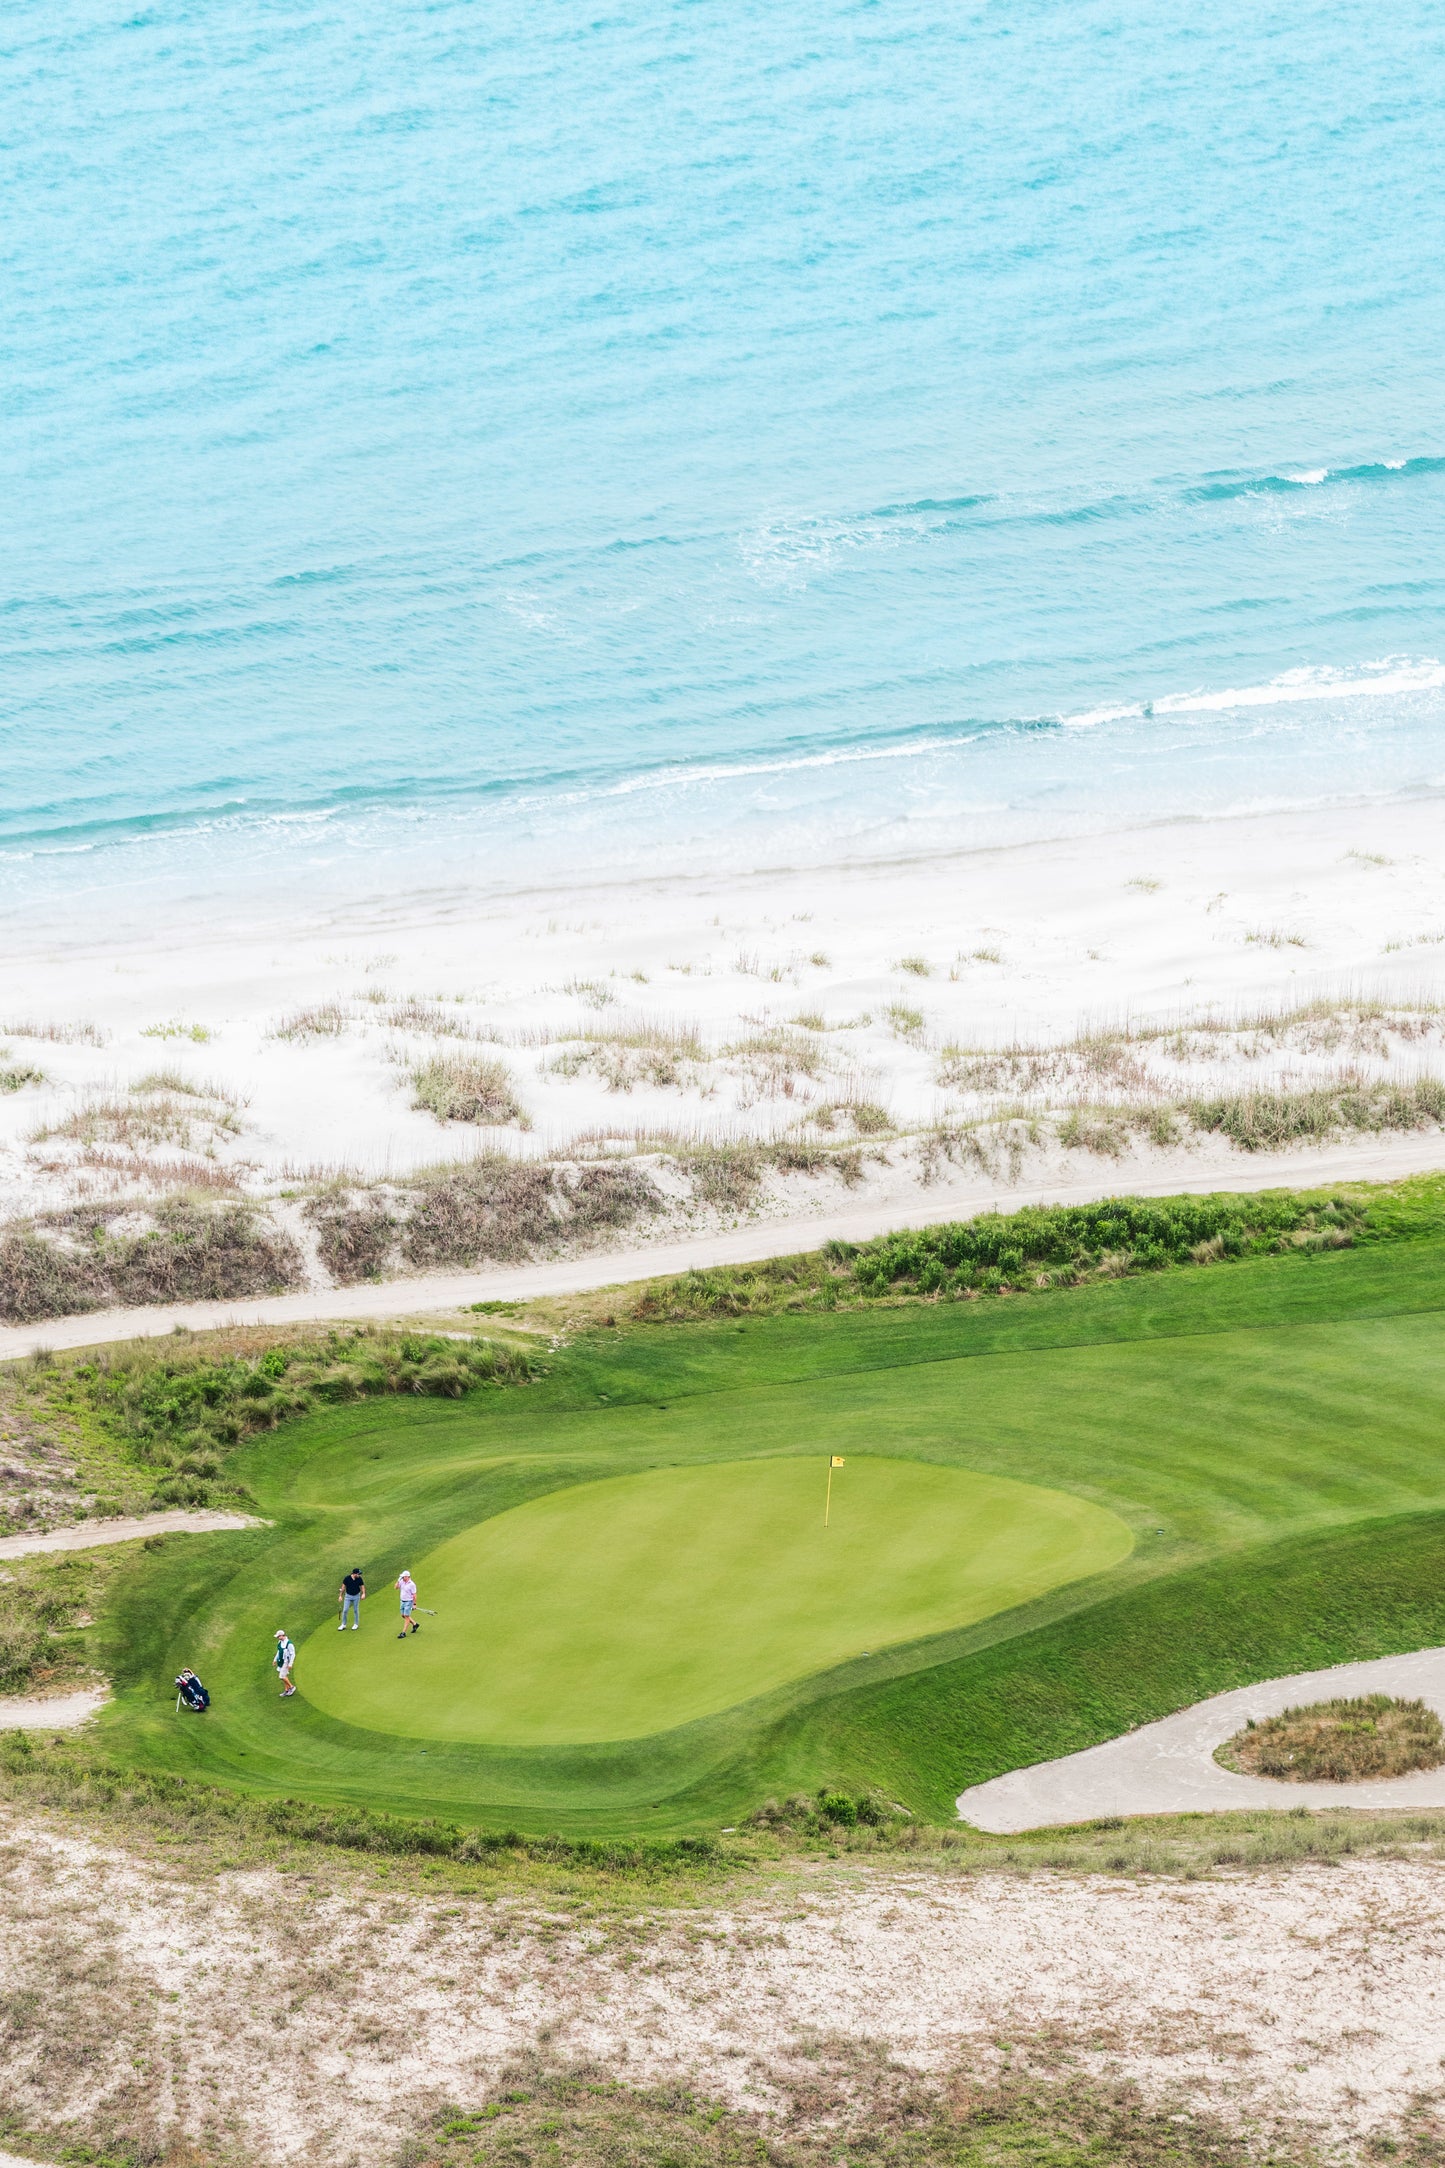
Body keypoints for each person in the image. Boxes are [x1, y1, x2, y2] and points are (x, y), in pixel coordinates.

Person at [338, 1566, 366, 1631]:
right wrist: (340, 1596)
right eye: (358, 1574)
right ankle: (343, 1624)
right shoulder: (347, 1578)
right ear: (354, 1574)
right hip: (348, 1596)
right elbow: (343, 1588)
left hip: (356, 1596)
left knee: (356, 1610)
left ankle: (356, 1624)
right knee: (345, 1610)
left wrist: (363, 1594)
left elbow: (362, 1587)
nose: (359, 1575)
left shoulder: (359, 1579)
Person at [395, 1569, 420, 1638]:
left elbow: (414, 1595)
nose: (402, 1578)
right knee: (403, 1615)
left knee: (406, 1616)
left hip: (409, 1602)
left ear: (407, 1577)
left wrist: (414, 1604)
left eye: (403, 1577)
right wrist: (398, 1581)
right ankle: (415, 1624)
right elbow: (396, 1587)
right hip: (402, 1601)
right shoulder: (401, 1581)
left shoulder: (412, 1584)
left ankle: (403, 1632)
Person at [274, 1628, 296, 1696]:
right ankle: (286, 1690)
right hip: (280, 1661)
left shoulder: (289, 1644)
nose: (278, 1638)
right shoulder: (280, 1642)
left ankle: (291, 1687)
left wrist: (290, 1664)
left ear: (282, 1635)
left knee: (282, 1676)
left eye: (278, 1636)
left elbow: (293, 1654)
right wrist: (275, 1660)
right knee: (284, 1676)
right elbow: (279, 1651)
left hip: (286, 1662)